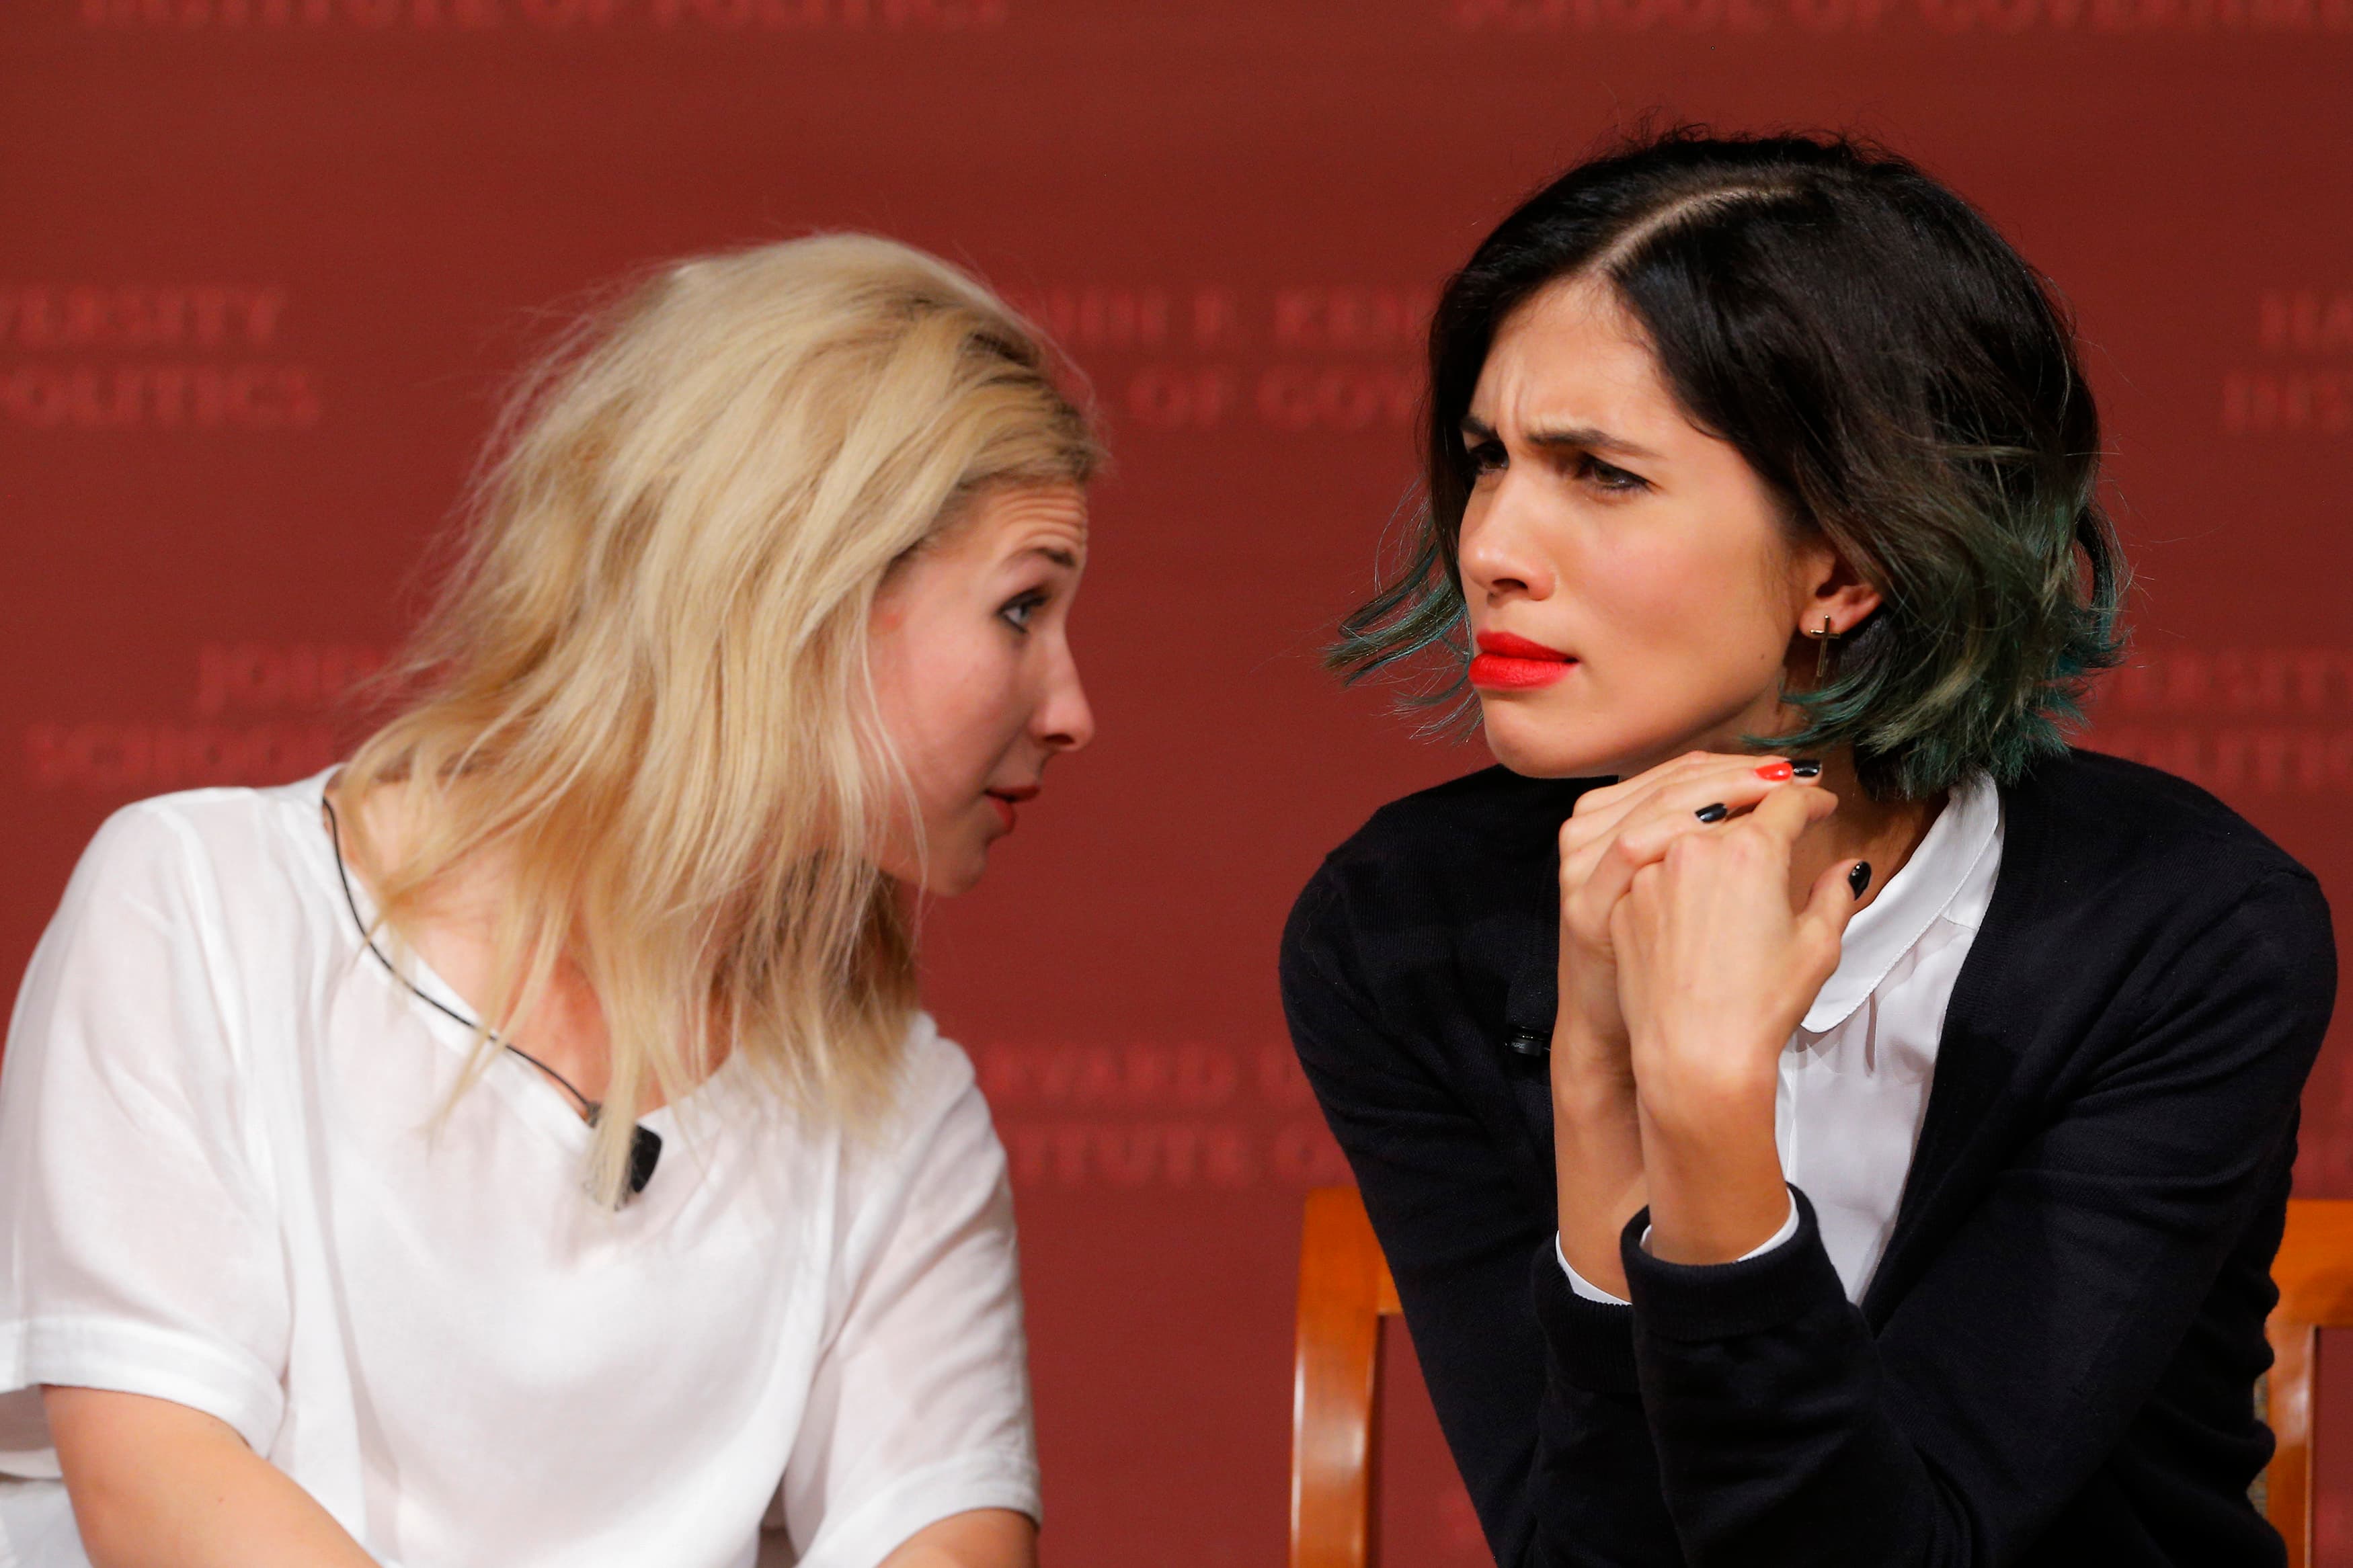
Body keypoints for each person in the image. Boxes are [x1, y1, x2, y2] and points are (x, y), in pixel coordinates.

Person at [1281, 129, 2337, 1566]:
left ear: (1844, 566)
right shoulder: (1402, 932)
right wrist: (1597, 1088)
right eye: (1487, 461)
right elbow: (1583, 1547)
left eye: (1598, 474)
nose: (1491, 547)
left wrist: (1704, 1110)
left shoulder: (2179, 930)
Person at [0, 234, 1100, 1568]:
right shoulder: (200, 910)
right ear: (796, 590)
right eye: (1019, 609)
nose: (1070, 710)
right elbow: (157, 1486)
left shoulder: (905, 1113)